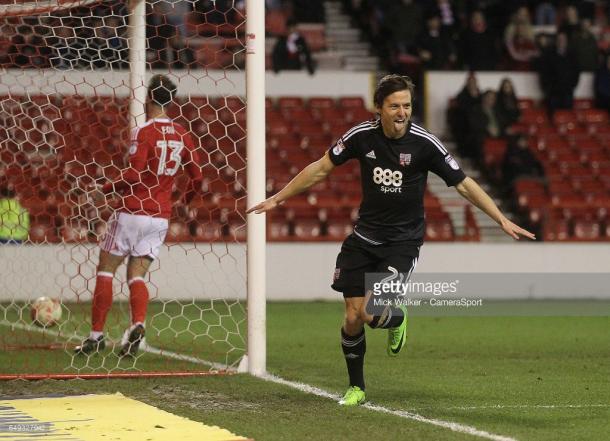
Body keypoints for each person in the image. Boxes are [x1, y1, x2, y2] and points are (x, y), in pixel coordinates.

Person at [247, 75, 535, 406]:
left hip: (402, 243)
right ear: (379, 108)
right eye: (395, 105)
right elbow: (320, 169)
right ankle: (357, 388)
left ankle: (397, 317)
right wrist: (278, 198)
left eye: (407, 106)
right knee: (352, 318)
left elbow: (464, 184)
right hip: (363, 238)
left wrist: (499, 217)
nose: (402, 112)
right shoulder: (361, 136)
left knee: (371, 312)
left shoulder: (425, 143)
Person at [75, 74, 203, 357]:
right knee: (138, 276)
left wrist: (104, 190)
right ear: (171, 101)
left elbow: (133, 174)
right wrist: (184, 201)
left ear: (148, 99)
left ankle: (96, 335)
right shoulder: (183, 134)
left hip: (133, 209)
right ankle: (138, 325)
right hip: (160, 216)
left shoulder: (144, 132)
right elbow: (197, 177)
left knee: (106, 269)